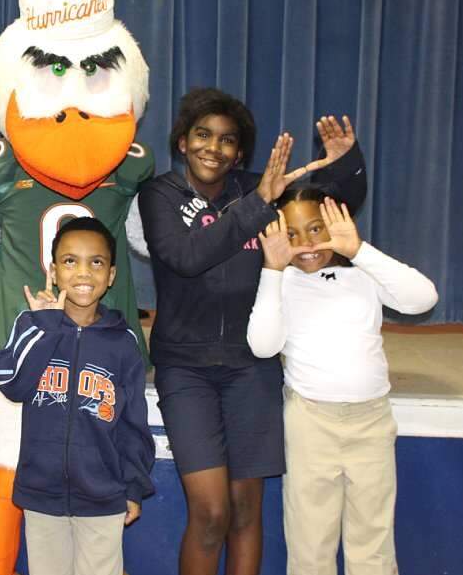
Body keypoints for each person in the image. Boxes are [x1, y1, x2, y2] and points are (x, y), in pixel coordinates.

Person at [138, 87, 366, 575]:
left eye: (226, 141)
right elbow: (187, 258)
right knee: (211, 513)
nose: (212, 148)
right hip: (186, 370)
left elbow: (334, 212)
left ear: (239, 153)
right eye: (202, 135)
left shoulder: (263, 189)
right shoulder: (160, 195)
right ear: (182, 142)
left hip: (252, 368)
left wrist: (346, 164)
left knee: (245, 512)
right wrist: (258, 205)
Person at [246, 188, 438, 575]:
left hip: (371, 420)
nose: (306, 245)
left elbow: (423, 298)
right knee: (310, 540)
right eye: (293, 235)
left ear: (335, 225)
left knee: (373, 539)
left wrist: (359, 251)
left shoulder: (363, 276)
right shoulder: (280, 284)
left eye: (316, 229)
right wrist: (272, 270)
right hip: (311, 422)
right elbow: (263, 346)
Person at [0, 217, 155, 575]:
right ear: (52, 270)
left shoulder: (123, 341)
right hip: (41, 493)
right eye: (70, 261)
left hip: (104, 496)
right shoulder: (33, 324)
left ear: (111, 275)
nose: (83, 272)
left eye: (96, 262)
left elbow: (134, 425)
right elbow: (10, 382)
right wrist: (45, 327)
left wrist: (133, 486)